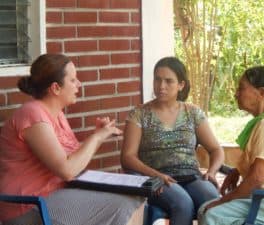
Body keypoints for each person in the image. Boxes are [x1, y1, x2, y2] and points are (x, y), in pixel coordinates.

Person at [0, 53, 145, 225]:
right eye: (73, 80)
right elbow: (67, 170)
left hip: (55, 193)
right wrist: (97, 138)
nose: (79, 84)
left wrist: (97, 135)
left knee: (137, 195)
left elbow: (74, 162)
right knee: (125, 204)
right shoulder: (33, 114)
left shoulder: (57, 114)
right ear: (55, 88)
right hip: (28, 205)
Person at [121, 56, 224, 225]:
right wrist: (156, 175)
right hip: (155, 180)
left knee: (212, 199)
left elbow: (216, 150)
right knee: (183, 203)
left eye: (169, 81)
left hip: (191, 177)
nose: (161, 86)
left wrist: (211, 172)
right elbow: (127, 157)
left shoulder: (192, 113)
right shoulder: (139, 114)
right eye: (157, 80)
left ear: (181, 85)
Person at [198, 66, 264, 225]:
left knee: (209, 213)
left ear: (261, 93)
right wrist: (237, 171)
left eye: (241, 88)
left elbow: (256, 179)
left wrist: (224, 200)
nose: (236, 93)